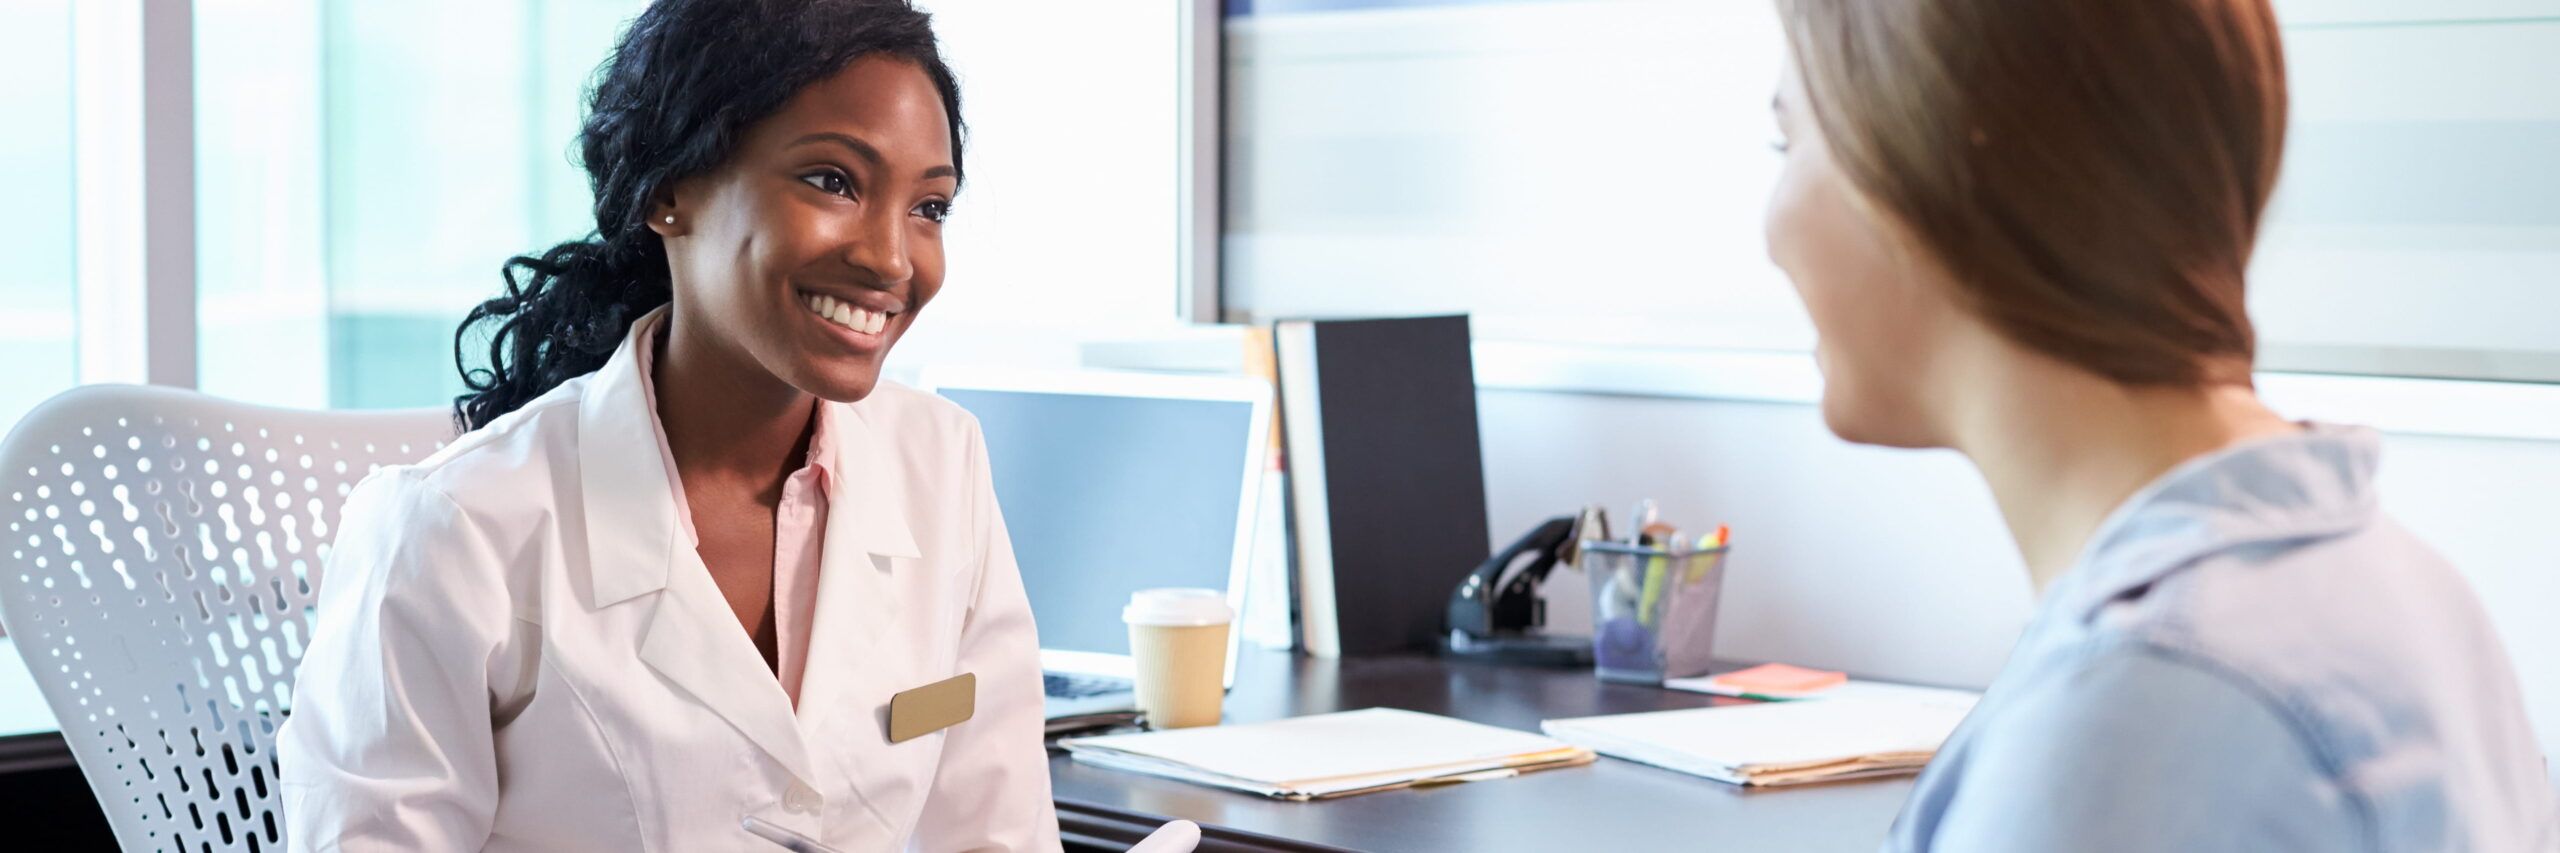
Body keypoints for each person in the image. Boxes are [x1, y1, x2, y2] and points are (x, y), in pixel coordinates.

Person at [1763, 0, 2560, 849]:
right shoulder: (2398, 581)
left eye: (1788, 143)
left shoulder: (2140, 711)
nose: (1769, 234)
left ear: (1932, 163)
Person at [279, 1, 1059, 849]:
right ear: (667, 193)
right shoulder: (455, 529)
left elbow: (997, 832)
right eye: (833, 181)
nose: (892, 259)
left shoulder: (942, 465)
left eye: (929, 207)